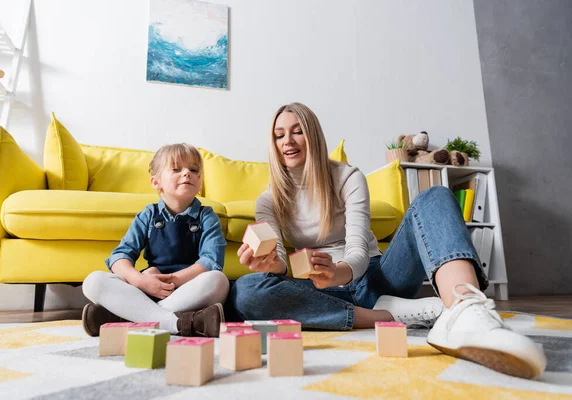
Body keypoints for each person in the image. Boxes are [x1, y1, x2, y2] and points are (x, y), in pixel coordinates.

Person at [230, 102, 546, 379]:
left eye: (297, 131)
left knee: (434, 196)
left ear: (312, 135)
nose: (287, 141)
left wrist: (337, 272)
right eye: (279, 134)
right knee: (245, 289)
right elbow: (281, 263)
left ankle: (464, 311)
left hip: (373, 277)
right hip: (318, 291)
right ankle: (385, 317)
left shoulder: (346, 177)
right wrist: (275, 266)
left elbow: (356, 252)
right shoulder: (268, 200)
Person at [82, 143, 229, 338]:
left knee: (218, 280)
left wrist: (171, 281)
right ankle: (176, 323)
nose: (187, 173)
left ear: (200, 182)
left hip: (185, 290)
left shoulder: (207, 216)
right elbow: (120, 256)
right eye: (176, 169)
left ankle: (128, 317)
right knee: (93, 281)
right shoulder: (148, 215)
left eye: (193, 170)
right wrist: (140, 280)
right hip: (147, 288)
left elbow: (211, 261)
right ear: (156, 182)